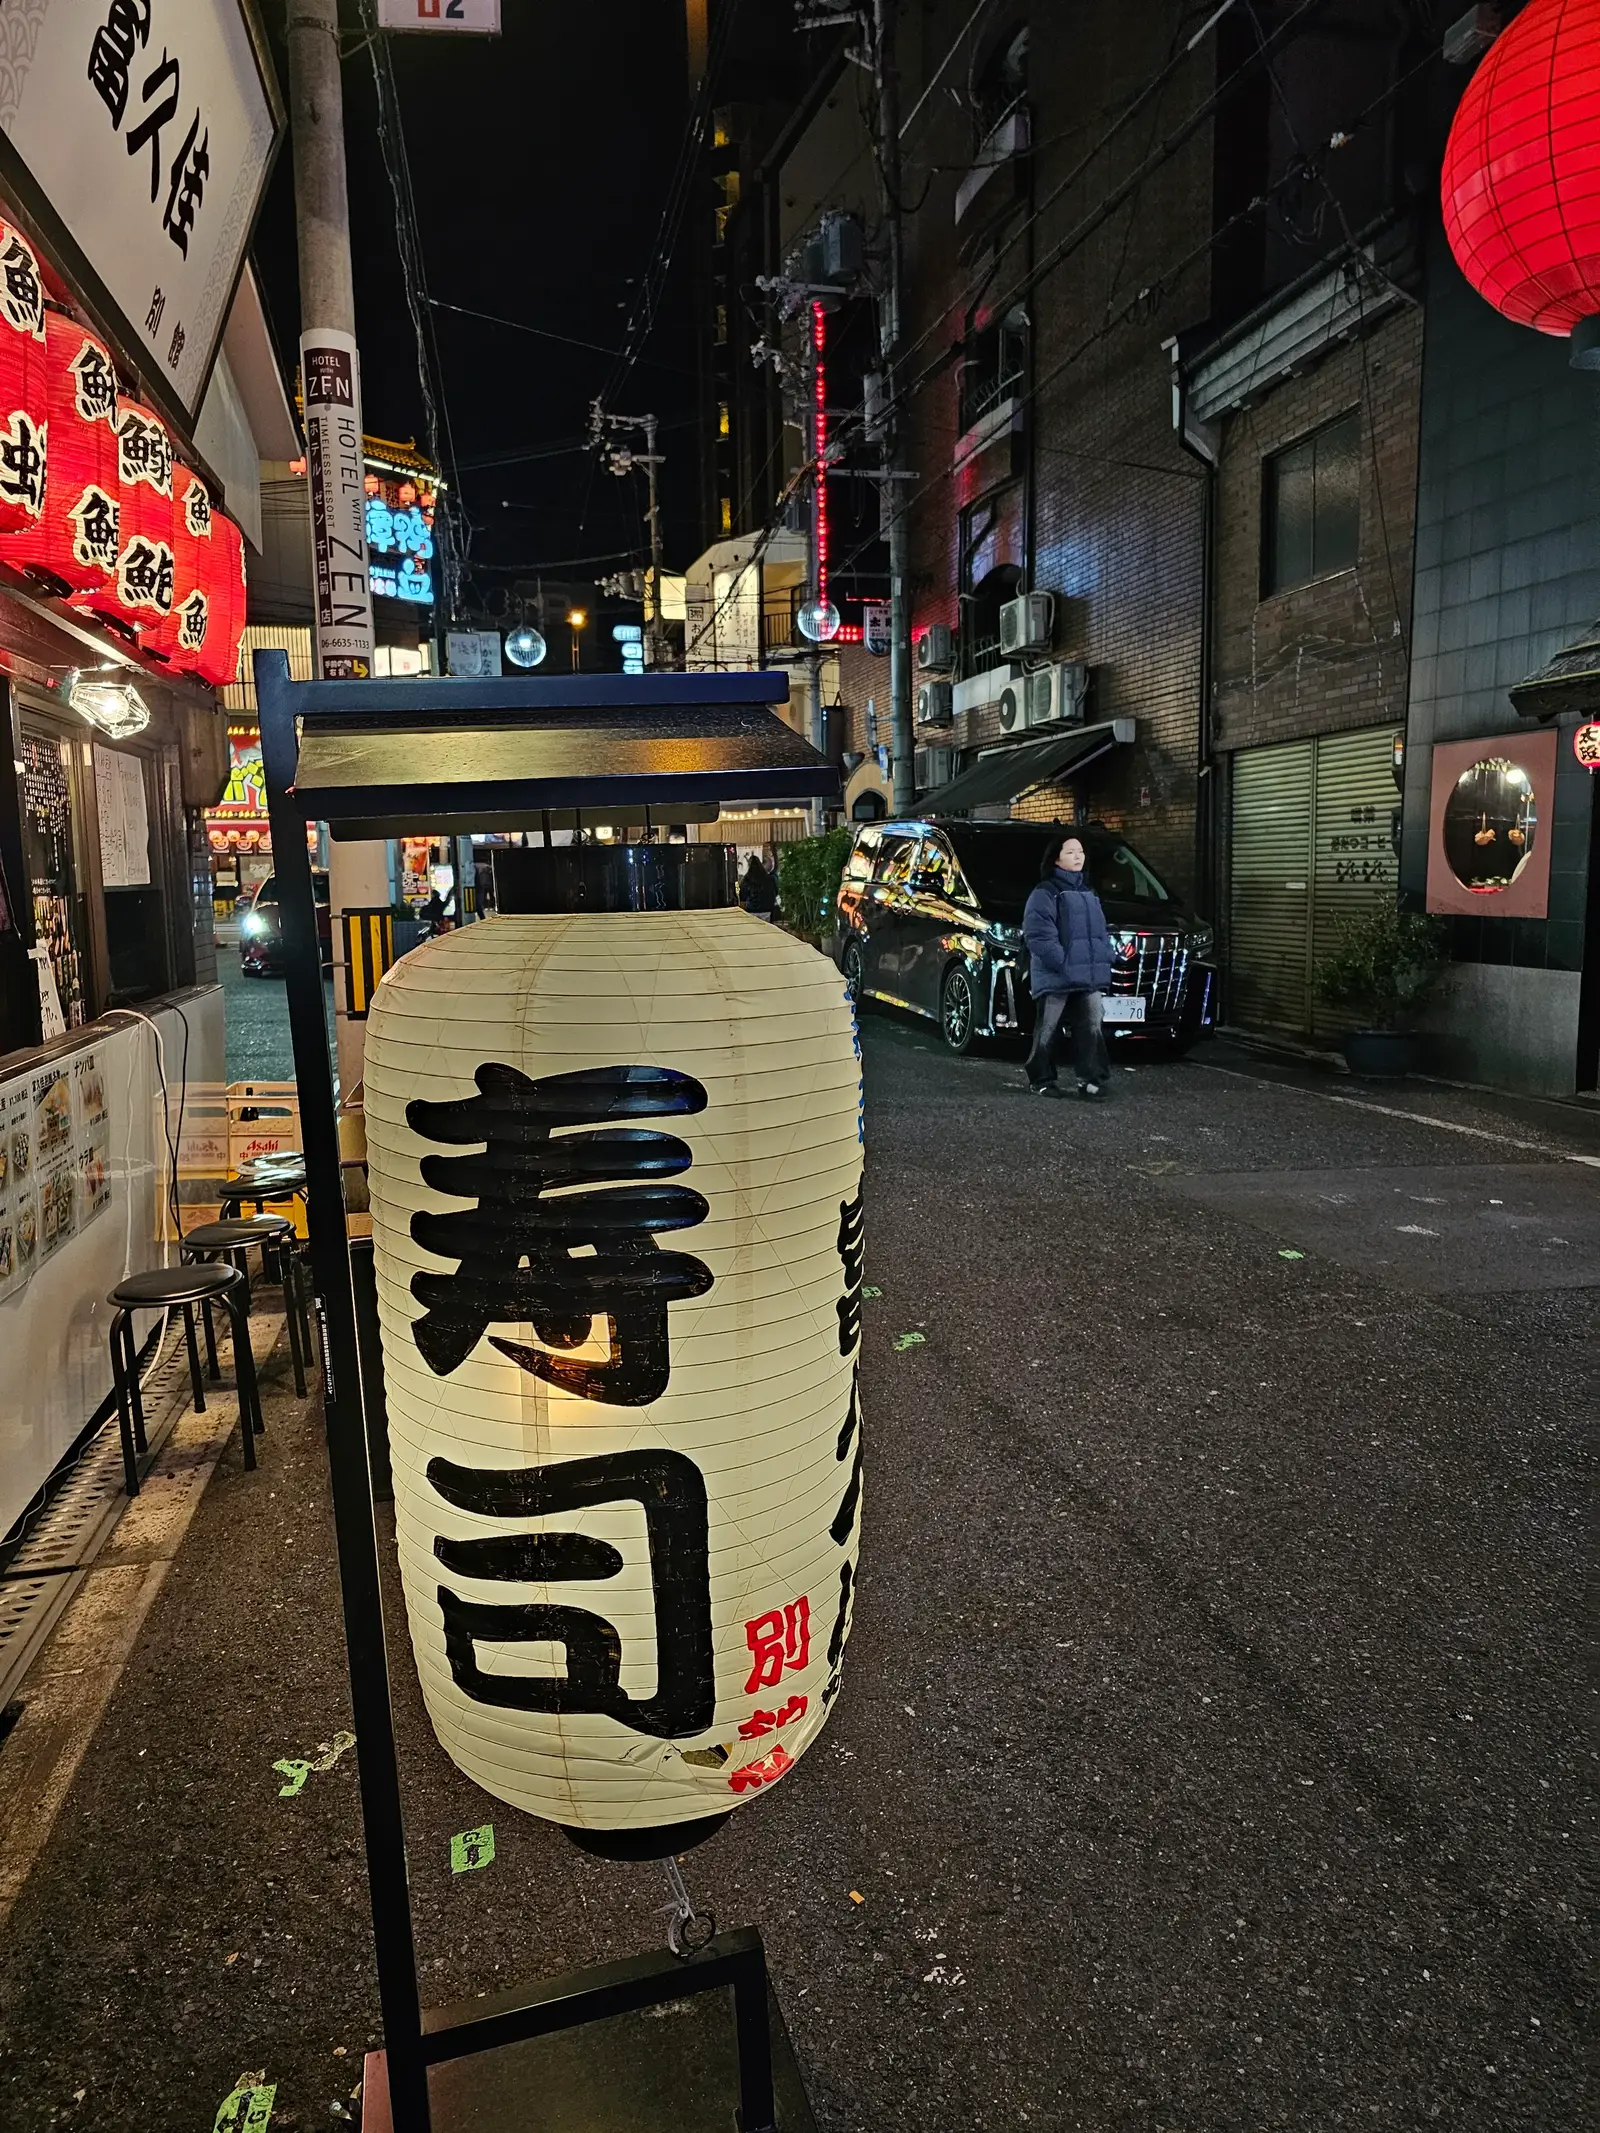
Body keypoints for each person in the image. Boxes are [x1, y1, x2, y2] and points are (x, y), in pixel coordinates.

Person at [1022, 831, 1113, 1099]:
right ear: (1057, 859)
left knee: (1092, 1026)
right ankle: (1041, 1079)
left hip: (1087, 975)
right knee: (1048, 1028)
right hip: (1056, 974)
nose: (1077, 857)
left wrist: (1106, 956)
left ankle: (1091, 1080)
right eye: (1070, 852)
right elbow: (1038, 934)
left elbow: (1099, 933)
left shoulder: (1088, 892)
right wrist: (1062, 962)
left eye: (1080, 852)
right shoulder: (1045, 892)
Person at [738, 850, 778, 920]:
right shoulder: (769, 878)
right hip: (767, 910)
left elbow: (742, 896)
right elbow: (775, 892)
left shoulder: (747, 879)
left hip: (752, 910)